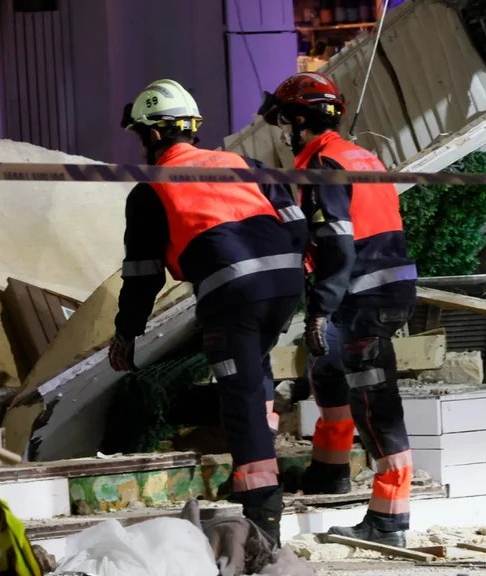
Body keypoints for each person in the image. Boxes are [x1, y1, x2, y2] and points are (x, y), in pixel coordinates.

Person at [108, 79, 306, 545]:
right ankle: (251, 470)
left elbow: (142, 275)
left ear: (153, 135)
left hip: (233, 293)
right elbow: (295, 226)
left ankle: (262, 516)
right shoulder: (244, 164)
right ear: (192, 129)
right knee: (254, 373)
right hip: (285, 282)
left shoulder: (151, 189)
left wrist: (126, 332)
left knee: (238, 397)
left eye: (140, 136)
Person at [258, 71, 417, 547]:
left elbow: (338, 247)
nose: (284, 131)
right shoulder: (357, 155)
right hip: (377, 289)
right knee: (327, 371)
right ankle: (329, 472)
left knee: (375, 406)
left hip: (363, 296)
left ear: (301, 119)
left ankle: (389, 521)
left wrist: (320, 309)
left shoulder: (324, 165)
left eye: (286, 120)